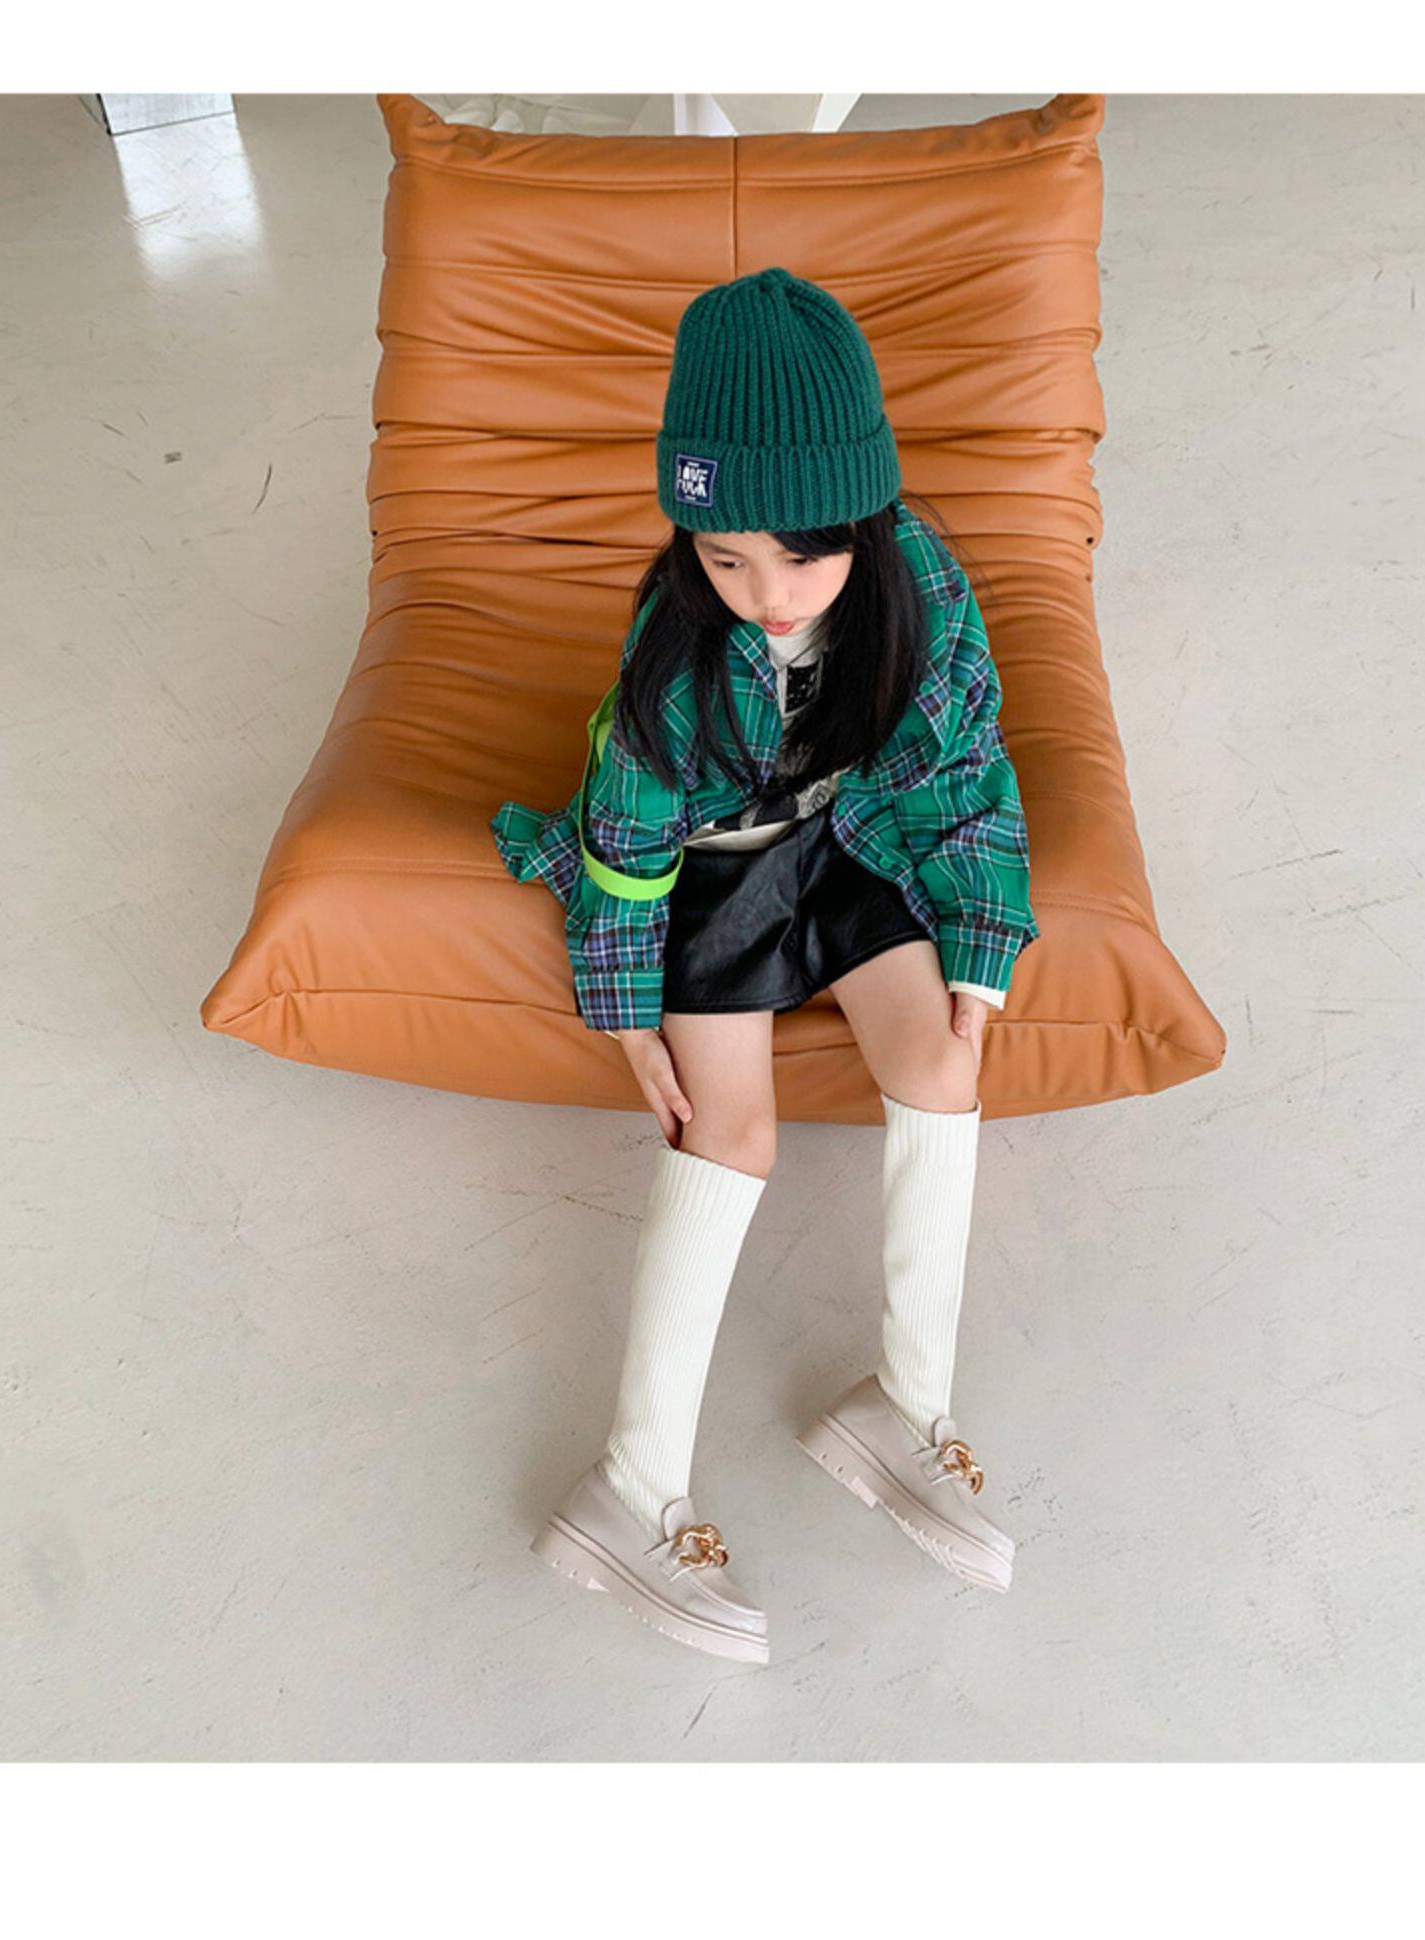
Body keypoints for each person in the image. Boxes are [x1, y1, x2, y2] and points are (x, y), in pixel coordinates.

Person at [490, 266, 1040, 1666]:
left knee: (944, 1061)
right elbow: (628, 838)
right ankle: (628, 1492)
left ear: (863, 518)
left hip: (846, 840)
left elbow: (961, 766)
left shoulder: (922, 584)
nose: (768, 596)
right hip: (712, 871)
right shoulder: (677, 643)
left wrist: (978, 947)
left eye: (801, 558)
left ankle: (904, 1406)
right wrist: (628, 1011)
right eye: (726, 557)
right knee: (728, 1134)